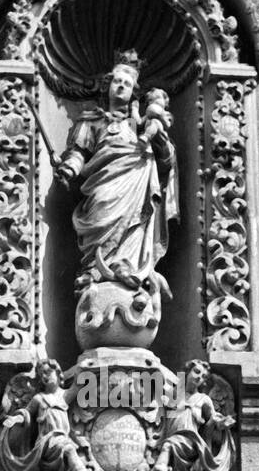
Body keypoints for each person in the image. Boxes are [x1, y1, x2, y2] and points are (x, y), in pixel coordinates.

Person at [55, 50, 177, 295]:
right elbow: (79, 152)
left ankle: (126, 264)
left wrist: (161, 142)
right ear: (108, 85)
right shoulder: (92, 120)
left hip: (137, 182)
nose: (121, 87)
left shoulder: (138, 123)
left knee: (136, 224)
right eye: (117, 81)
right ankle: (93, 269)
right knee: (100, 207)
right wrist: (68, 168)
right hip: (104, 183)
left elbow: (167, 161)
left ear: (134, 91)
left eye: (127, 84)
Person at [0, 358, 103, 471]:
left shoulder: (64, 395)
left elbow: (79, 382)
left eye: (48, 372)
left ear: (58, 372)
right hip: (49, 441)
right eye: (41, 375)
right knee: (69, 449)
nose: (45, 377)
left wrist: (85, 364)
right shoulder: (39, 399)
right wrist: (15, 419)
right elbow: (26, 413)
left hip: (60, 441)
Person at [133, 359, 233, 471]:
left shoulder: (203, 399)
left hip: (190, 440)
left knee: (169, 446)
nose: (199, 377)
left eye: (203, 376)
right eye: (197, 372)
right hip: (172, 438)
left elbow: (213, 419)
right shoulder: (175, 395)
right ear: (187, 373)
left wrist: (222, 422)